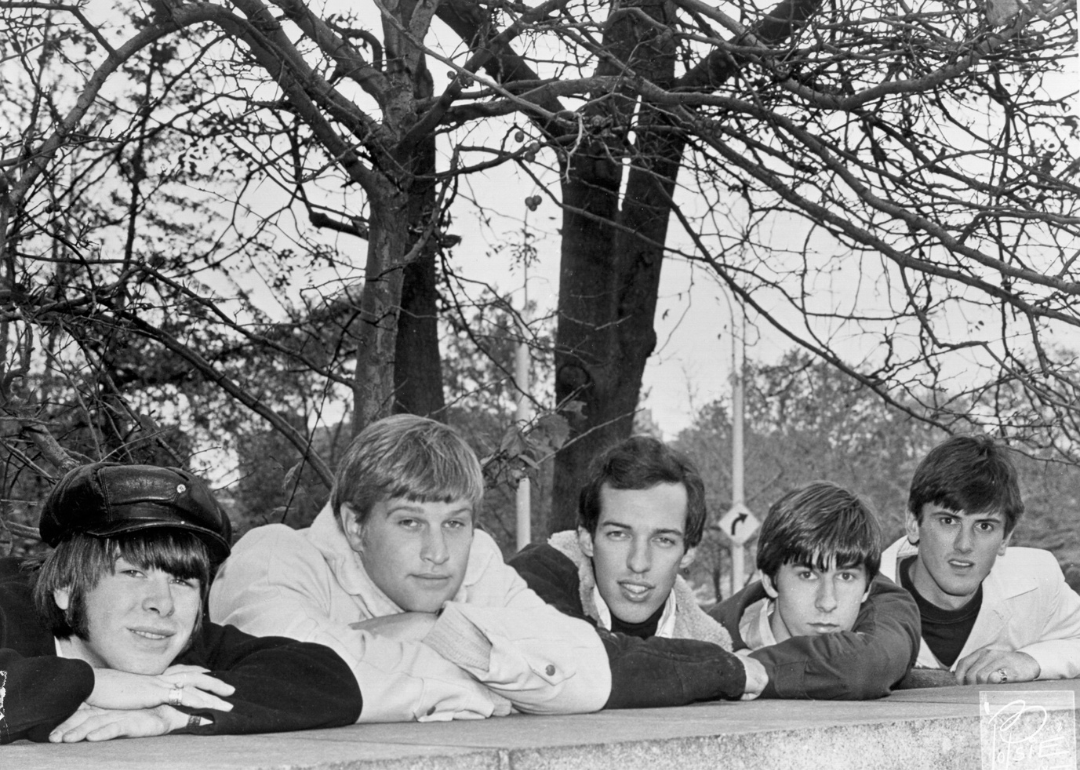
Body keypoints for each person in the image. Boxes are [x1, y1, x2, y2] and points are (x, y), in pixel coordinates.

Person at [209, 414, 611, 722]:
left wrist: (444, 632)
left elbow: (588, 672)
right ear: (355, 526)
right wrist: (497, 688)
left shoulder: (477, 557)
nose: (437, 552)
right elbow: (291, 680)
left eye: (454, 523)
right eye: (409, 522)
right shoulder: (274, 557)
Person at [0, 462, 361, 745]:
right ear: (65, 586)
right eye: (133, 573)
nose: (163, 604)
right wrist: (93, 684)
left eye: (181, 581)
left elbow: (328, 679)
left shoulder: (175, 642)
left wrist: (172, 709)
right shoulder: (8, 610)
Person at [509, 436, 768, 707]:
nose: (638, 562)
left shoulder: (709, 640)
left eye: (663, 540)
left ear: (688, 552)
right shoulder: (530, 579)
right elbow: (582, 664)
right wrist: (717, 668)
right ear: (587, 538)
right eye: (619, 534)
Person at [880, 434, 1080, 684]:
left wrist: (1030, 660)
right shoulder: (857, 589)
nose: (964, 545)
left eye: (984, 526)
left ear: (1006, 537)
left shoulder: (1035, 579)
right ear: (912, 522)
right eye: (948, 521)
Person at [711, 481, 921, 699]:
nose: (827, 602)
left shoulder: (884, 607)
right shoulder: (706, 637)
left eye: (845, 577)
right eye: (807, 575)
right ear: (770, 582)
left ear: (868, 588)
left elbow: (858, 667)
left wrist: (744, 671)